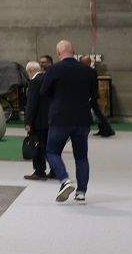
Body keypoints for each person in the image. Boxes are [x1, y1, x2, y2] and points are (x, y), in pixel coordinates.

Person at [42, 39, 98, 202]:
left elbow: (44, 92)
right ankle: (81, 192)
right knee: (81, 156)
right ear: (74, 51)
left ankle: (64, 179)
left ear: (58, 53)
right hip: (82, 119)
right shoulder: (88, 71)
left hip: (60, 118)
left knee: (52, 151)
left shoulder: (54, 69)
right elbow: (94, 95)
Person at [22, 60, 52, 180]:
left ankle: (39, 171)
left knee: (37, 145)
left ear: (30, 71)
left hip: (39, 120)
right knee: (49, 146)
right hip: (50, 119)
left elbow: (32, 103)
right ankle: (55, 170)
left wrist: (28, 121)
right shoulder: (47, 79)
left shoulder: (34, 82)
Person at [82, 55, 115, 137]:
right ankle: (105, 129)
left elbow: (91, 85)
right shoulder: (90, 71)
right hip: (91, 95)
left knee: (97, 113)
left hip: (90, 96)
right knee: (98, 113)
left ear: (87, 62)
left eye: (82, 62)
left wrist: (90, 96)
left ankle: (107, 129)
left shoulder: (89, 71)